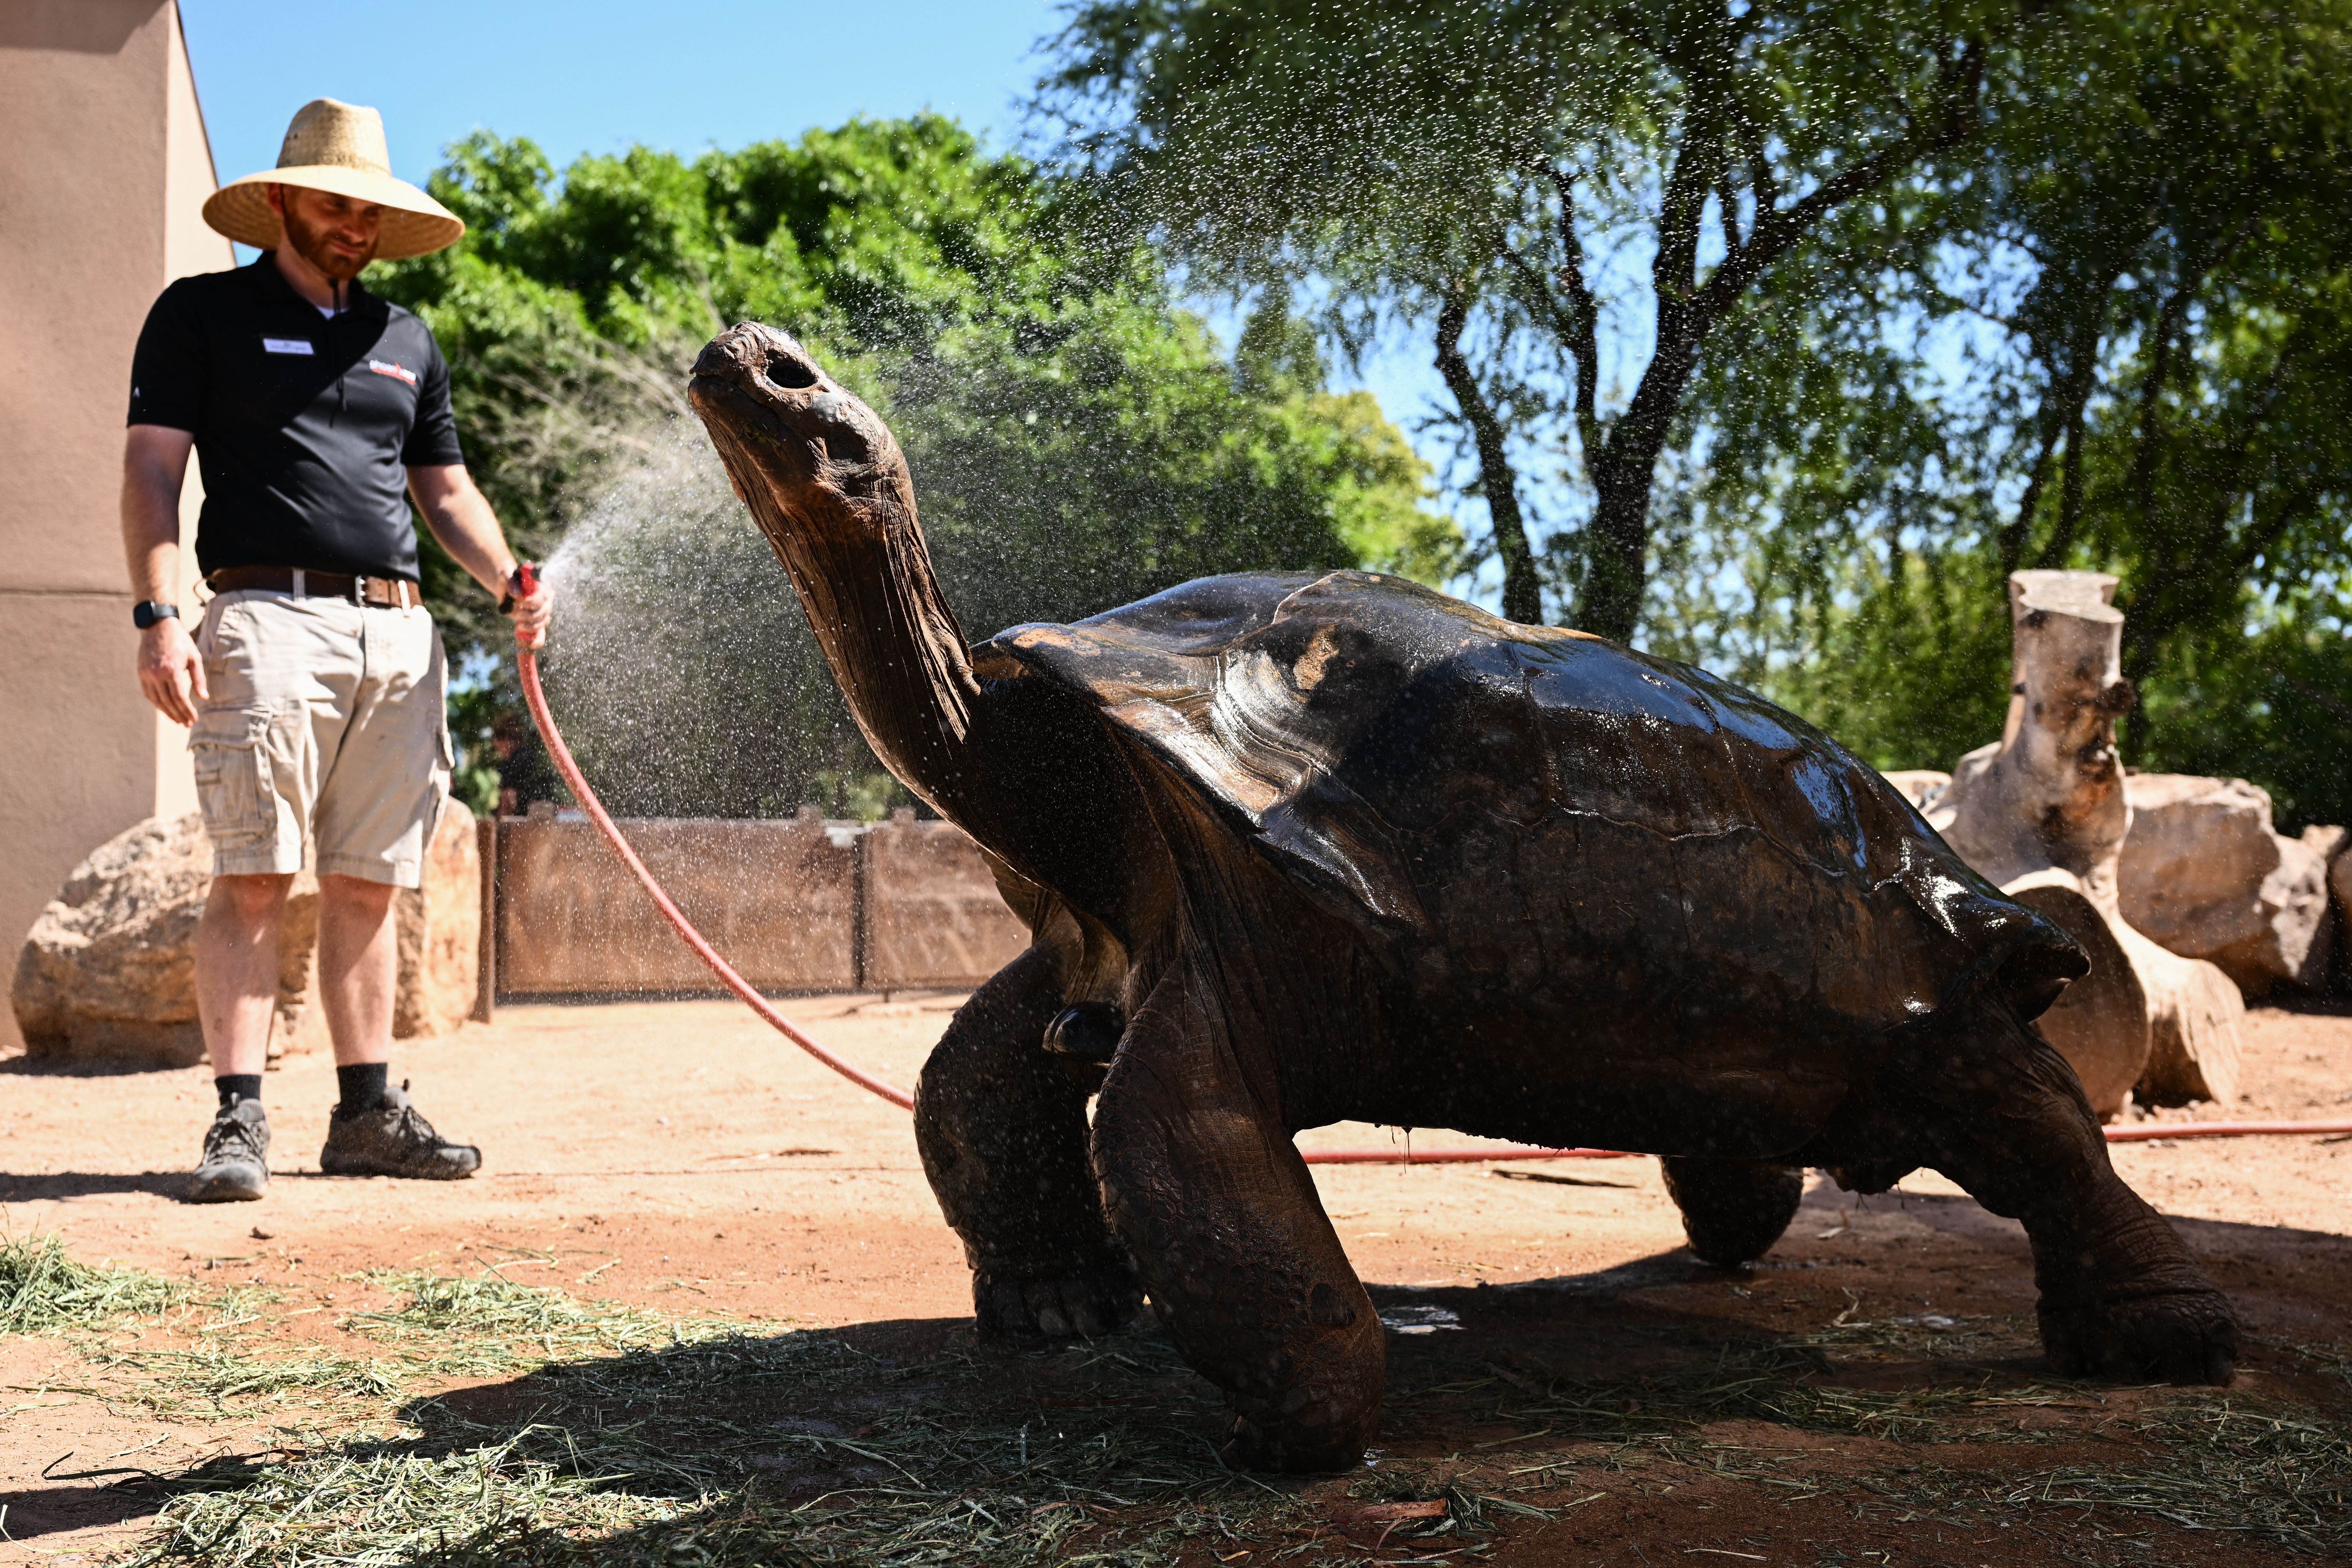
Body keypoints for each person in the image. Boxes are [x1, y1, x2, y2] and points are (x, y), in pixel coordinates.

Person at [122, 99, 552, 1203]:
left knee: (370, 882)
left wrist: (507, 579)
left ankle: (367, 1113)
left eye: (369, 212)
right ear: (279, 201)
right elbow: (154, 475)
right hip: (265, 621)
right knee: (256, 873)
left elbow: (444, 490)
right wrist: (158, 614)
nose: (353, 227)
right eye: (333, 205)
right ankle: (238, 1121)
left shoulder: (407, 338)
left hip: (400, 633)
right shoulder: (200, 315)